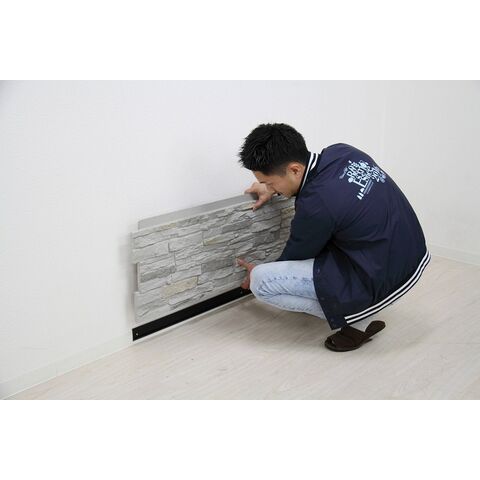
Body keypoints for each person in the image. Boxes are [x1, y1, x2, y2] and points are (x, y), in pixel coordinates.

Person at [235, 123, 431, 351]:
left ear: (295, 170)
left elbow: (296, 255)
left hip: (380, 273)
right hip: (410, 254)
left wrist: (259, 272)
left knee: (262, 282)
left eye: (268, 182)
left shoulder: (316, 204)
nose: (267, 187)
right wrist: (273, 187)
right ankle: (362, 308)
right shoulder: (342, 152)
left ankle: (358, 319)